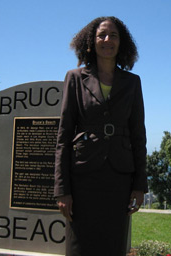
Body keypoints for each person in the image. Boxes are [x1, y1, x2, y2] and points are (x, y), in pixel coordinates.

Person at [54, 16, 148, 256]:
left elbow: (139, 137)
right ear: (90, 42)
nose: (107, 40)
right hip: (82, 178)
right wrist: (62, 190)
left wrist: (139, 186)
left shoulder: (133, 83)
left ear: (122, 42)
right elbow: (64, 136)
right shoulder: (75, 78)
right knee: (79, 247)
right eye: (102, 35)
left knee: (113, 246)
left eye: (113, 35)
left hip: (119, 181)